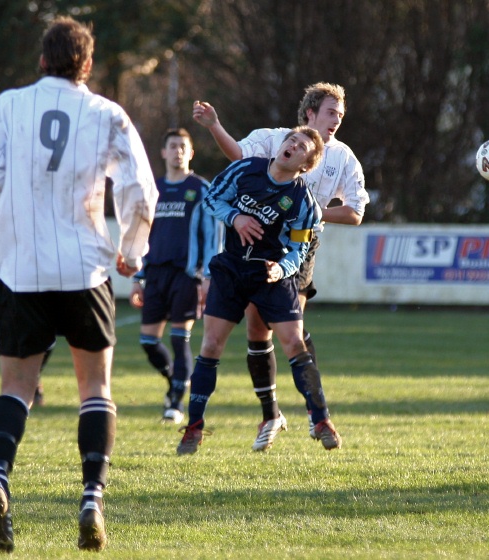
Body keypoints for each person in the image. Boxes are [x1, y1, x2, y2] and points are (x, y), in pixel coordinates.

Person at [0, 16, 157, 552]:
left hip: (21, 269)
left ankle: (0, 477)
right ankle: (92, 498)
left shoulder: (9, 105)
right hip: (83, 269)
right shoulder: (106, 113)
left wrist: (13, 213)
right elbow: (140, 188)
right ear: (87, 65)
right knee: (94, 388)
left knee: (16, 388)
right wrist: (132, 249)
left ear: (41, 59)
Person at [192, 82, 369, 450]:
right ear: (310, 113)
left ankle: (316, 416)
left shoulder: (343, 157)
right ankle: (271, 414)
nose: (336, 120)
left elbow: (355, 212)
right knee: (257, 331)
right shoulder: (275, 139)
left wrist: (312, 212)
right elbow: (238, 156)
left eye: (340, 115)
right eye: (330, 112)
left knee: (292, 330)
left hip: (299, 243)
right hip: (255, 238)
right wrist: (214, 126)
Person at [175, 125, 325, 455]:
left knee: (294, 343)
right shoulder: (246, 168)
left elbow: (298, 251)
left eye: (301, 147)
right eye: (291, 140)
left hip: (268, 275)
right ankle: (194, 427)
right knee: (211, 344)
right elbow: (212, 198)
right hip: (230, 269)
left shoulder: (304, 202)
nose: (293, 146)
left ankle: (321, 418)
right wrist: (236, 217)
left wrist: (280, 268)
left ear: (305, 164)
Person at [129, 128, 223, 425]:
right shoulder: (152, 189)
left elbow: (212, 237)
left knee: (179, 339)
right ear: (163, 152)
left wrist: (208, 275)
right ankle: (176, 381)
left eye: (184, 146)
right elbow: (142, 235)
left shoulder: (201, 188)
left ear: (191, 153)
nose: (178, 151)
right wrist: (138, 276)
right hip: (155, 274)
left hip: (187, 276)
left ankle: (176, 403)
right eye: (173, 146)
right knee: (148, 341)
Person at [0, 259, 53, 406]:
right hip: (20, 278)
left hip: (59, 279)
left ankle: (32, 377)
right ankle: (24, 386)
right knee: (25, 336)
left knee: (50, 338)